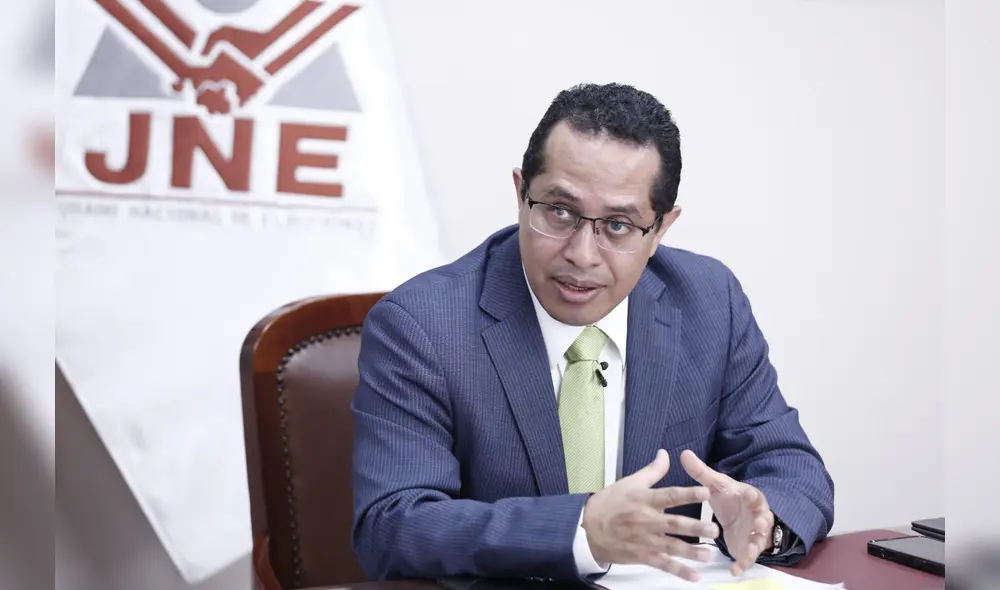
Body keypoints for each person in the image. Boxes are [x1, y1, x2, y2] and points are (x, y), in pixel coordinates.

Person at [351, 82, 834, 584]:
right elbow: (392, 524)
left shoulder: (709, 301)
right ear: (521, 194)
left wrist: (763, 523)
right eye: (559, 212)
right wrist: (580, 530)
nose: (582, 254)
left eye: (620, 225)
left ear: (661, 230)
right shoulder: (422, 324)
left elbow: (787, 463)